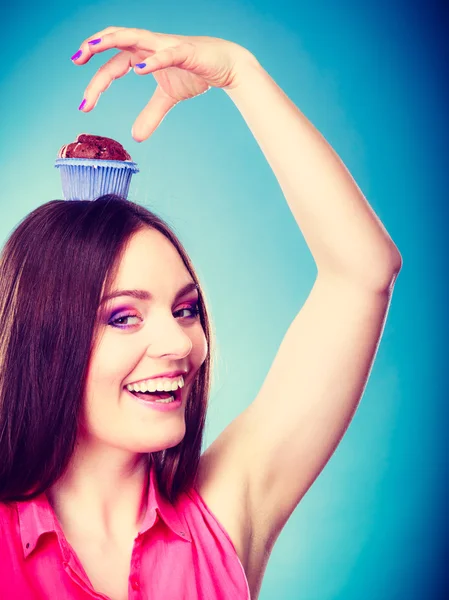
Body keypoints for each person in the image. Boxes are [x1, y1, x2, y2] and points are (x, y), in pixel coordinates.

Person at [0, 26, 402, 600]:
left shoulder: (224, 514)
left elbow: (363, 273)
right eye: (123, 317)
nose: (181, 344)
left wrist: (239, 72)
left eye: (185, 309)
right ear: (42, 343)